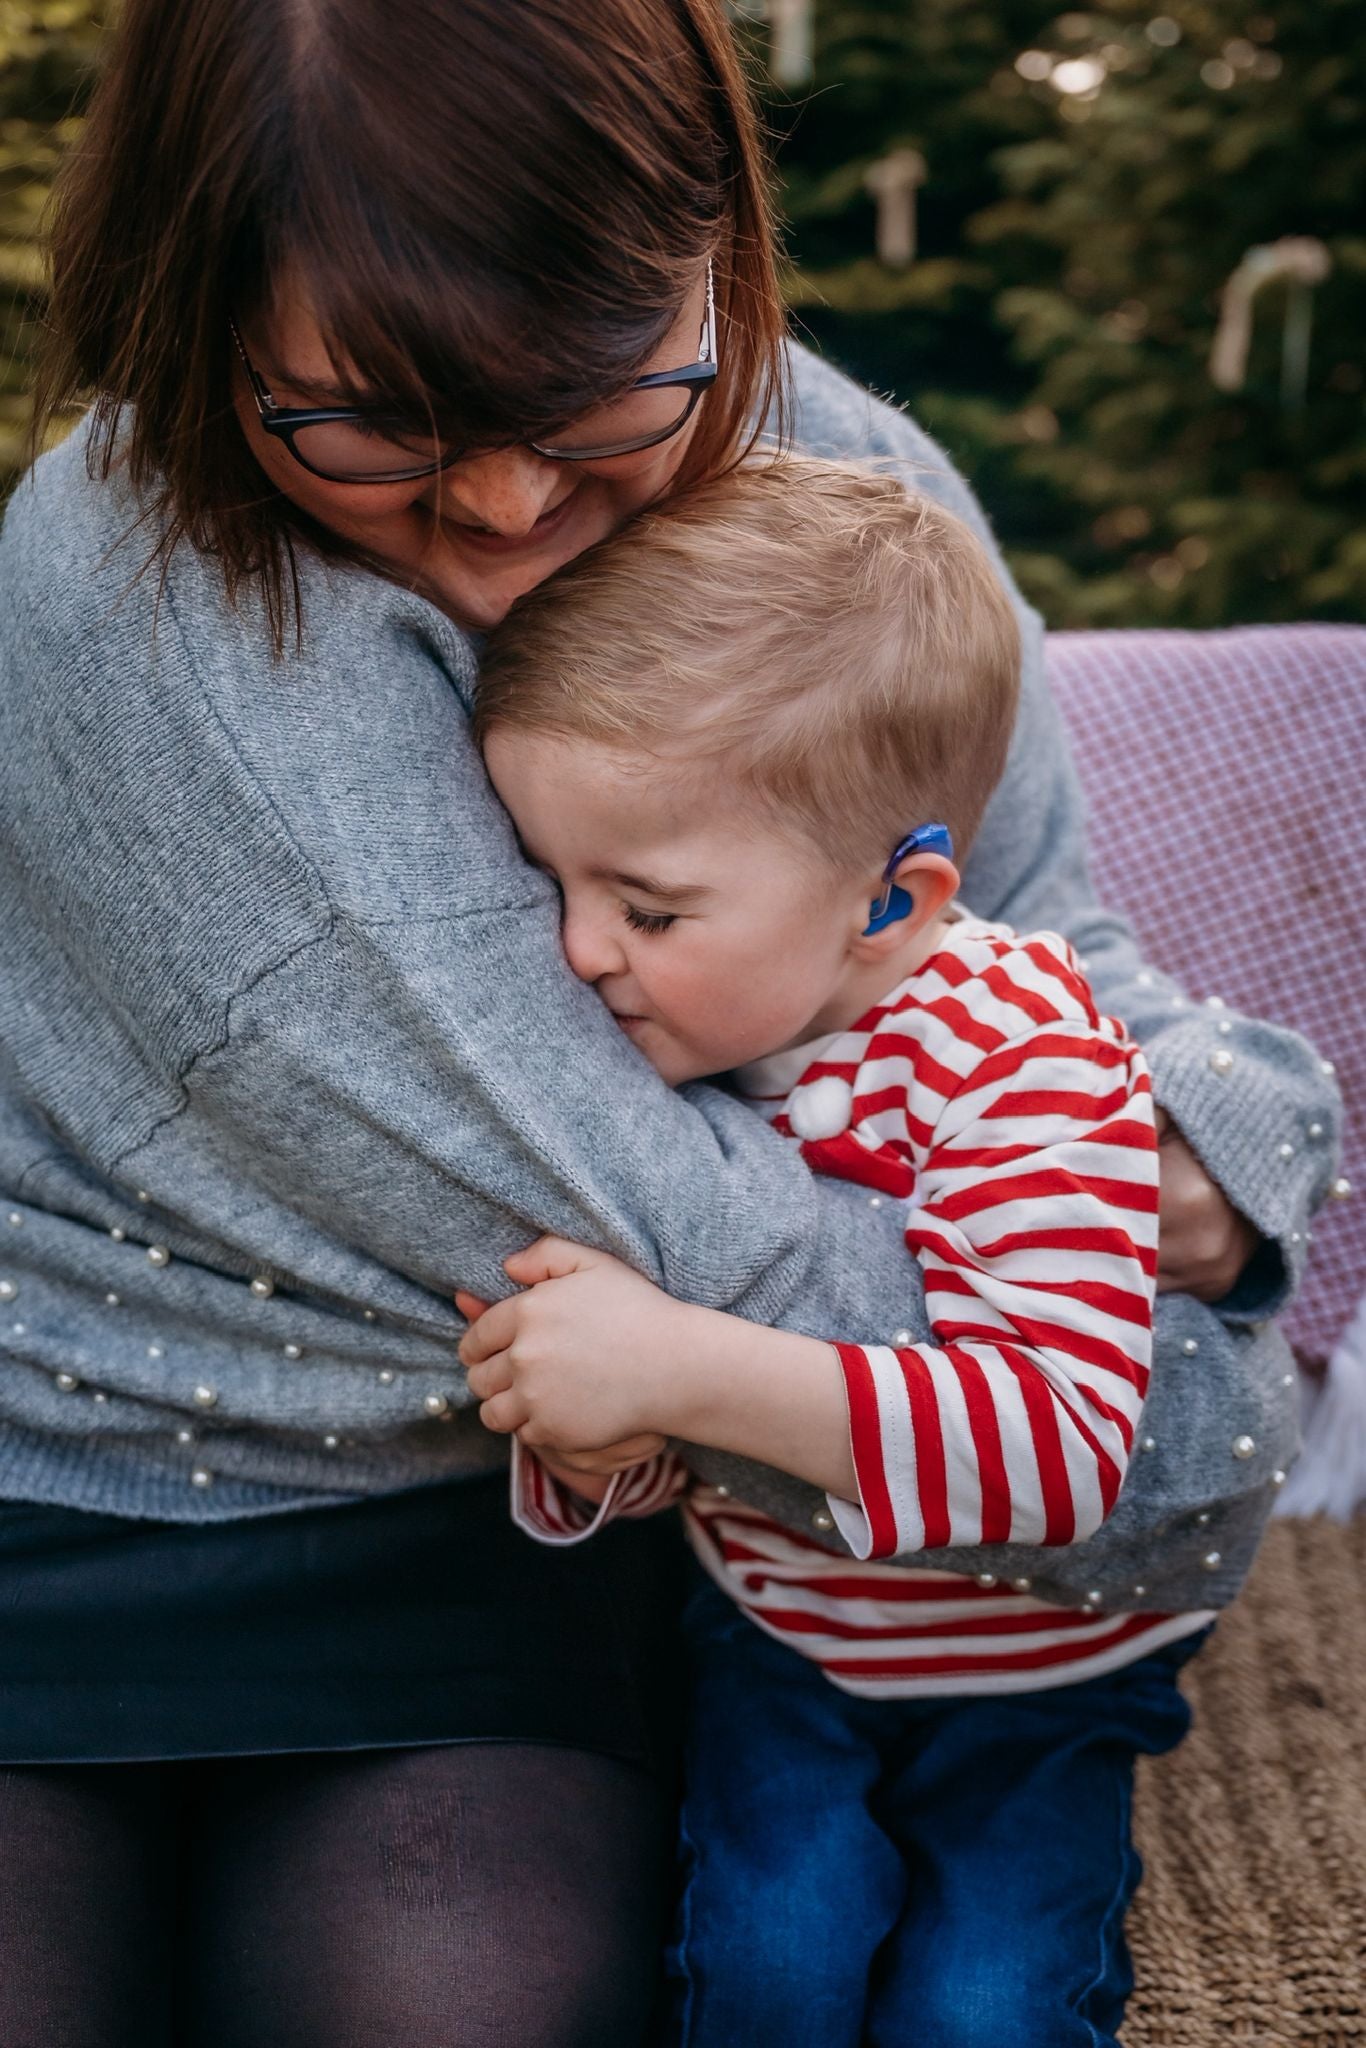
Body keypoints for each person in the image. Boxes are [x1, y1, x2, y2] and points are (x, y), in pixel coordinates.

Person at [0, 0, 1337, 2041]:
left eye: (601, 392)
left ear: (713, 247)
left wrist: (1217, 1149)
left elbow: (1045, 958)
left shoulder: (834, 474)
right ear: (189, 321)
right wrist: (1113, 1358)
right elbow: (645, 1237)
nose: (516, 509)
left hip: (510, 1522)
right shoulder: (136, 588)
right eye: (369, 425)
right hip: (60, 1470)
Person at [457, 458, 1214, 2045]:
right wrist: (601, 1427)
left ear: (890, 902)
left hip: (1035, 1665)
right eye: (555, 882)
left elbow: (1059, 1452)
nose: (577, 950)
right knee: (769, 1967)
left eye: (646, 906)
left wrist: (682, 1361)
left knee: (981, 2002)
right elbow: (685, 1436)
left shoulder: (1027, 1059)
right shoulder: (693, 1028)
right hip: (780, 1635)